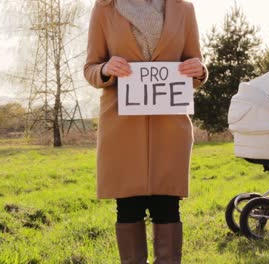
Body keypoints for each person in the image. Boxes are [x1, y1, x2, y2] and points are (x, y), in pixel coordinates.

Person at [83, 0, 208, 263]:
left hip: (170, 129)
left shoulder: (184, 9)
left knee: (168, 207)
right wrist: (105, 69)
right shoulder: (105, 8)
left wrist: (199, 70)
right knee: (128, 208)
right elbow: (91, 68)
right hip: (121, 129)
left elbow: (194, 65)